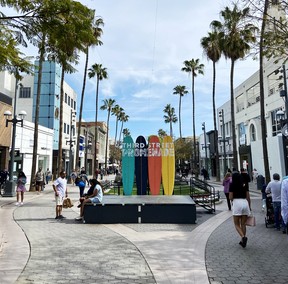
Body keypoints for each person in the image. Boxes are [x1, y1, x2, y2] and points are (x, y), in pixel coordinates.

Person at [229, 171, 251, 248]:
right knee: (243, 224)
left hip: (237, 203)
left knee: (236, 224)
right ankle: (243, 241)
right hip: (245, 202)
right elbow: (248, 196)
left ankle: (243, 237)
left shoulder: (232, 184)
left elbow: (231, 197)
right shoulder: (244, 184)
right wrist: (249, 206)